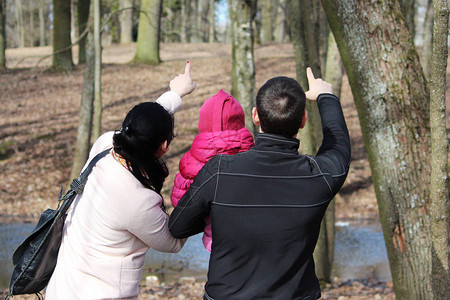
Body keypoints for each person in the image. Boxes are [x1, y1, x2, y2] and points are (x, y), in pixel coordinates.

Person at [168, 68, 351, 300]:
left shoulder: (219, 171)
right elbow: (339, 146)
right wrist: (326, 97)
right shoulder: (320, 176)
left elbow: (177, 227)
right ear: (303, 120)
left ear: (255, 116)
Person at [46, 62, 196, 300]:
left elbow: (141, 126)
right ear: (164, 146)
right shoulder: (138, 201)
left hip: (62, 290)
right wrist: (196, 195)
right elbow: (172, 242)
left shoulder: (105, 145)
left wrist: (175, 93)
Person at [170, 89, 254, 252]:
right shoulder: (251, 153)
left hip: (215, 242)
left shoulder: (193, 158)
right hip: (251, 237)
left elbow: (180, 201)